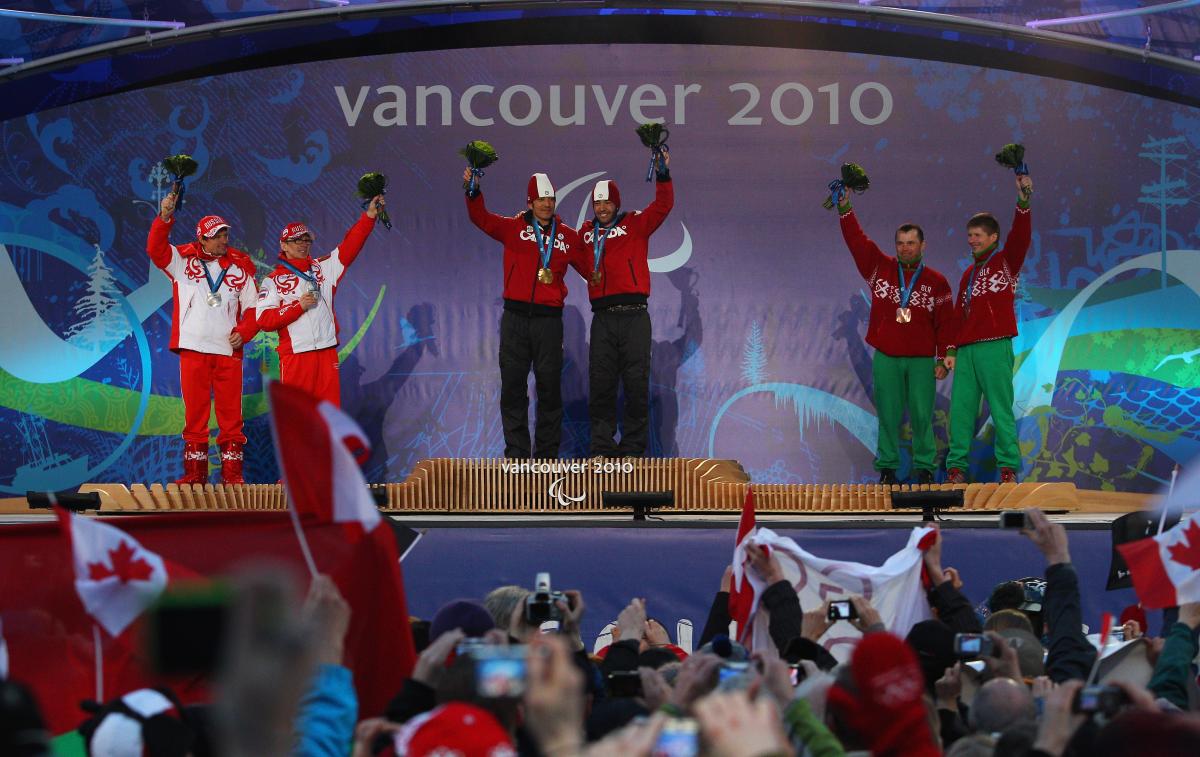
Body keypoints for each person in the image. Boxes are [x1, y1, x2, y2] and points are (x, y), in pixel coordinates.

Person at [464, 169, 586, 459]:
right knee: (513, 388)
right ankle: (517, 455)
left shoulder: (568, 236)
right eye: (540, 199)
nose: (546, 204)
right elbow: (480, 217)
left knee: (549, 390)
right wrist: (472, 190)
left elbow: (593, 269)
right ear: (530, 202)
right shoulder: (513, 228)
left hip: (549, 322)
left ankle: (546, 456)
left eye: (550, 199)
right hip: (515, 319)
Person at [836, 188, 954, 484]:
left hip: (921, 360)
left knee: (921, 416)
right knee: (887, 415)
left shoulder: (936, 282)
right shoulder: (880, 268)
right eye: (900, 243)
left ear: (923, 245)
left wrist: (945, 356)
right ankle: (887, 468)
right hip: (886, 356)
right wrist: (845, 209)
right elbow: (857, 242)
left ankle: (925, 466)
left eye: (911, 243)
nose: (905, 248)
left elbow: (946, 323)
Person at [148, 193, 259, 485]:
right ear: (203, 239)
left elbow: (254, 310)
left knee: (230, 416)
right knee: (196, 414)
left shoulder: (240, 268)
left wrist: (244, 333)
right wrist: (164, 218)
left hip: (227, 351)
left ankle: (233, 476)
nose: (224, 240)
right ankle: (195, 475)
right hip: (194, 349)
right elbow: (156, 249)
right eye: (217, 236)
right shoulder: (182, 262)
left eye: (225, 234)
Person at [580, 150, 674, 457]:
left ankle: (633, 447)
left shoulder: (635, 223)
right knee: (601, 384)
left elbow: (663, 205)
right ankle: (601, 448)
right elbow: (568, 253)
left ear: (616, 203)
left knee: (635, 384)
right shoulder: (585, 233)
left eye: (607, 202)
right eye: (597, 203)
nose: (603, 208)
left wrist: (662, 174)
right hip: (603, 318)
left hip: (635, 316)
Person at [944, 174, 1033, 484]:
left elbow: (1021, 237)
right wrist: (951, 350)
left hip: (995, 346)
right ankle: (955, 469)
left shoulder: (1006, 263)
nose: (973, 240)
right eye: (970, 235)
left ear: (994, 238)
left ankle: (1007, 468)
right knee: (961, 413)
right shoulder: (968, 274)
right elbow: (957, 315)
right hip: (966, 350)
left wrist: (1023, 202)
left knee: (1000, 408)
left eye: (979, 235)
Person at [256, 195, 385, 407]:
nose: (303, 245)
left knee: (329, 415)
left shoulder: (323, 267)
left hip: (326, 353)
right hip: (296, 356)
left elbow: (350, 245)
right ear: (283, 245)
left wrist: (369, 216)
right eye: (297, 240)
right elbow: (264, 319)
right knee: (299, 417)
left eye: (306, 240)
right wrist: (298, 306)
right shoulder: (272, 281)